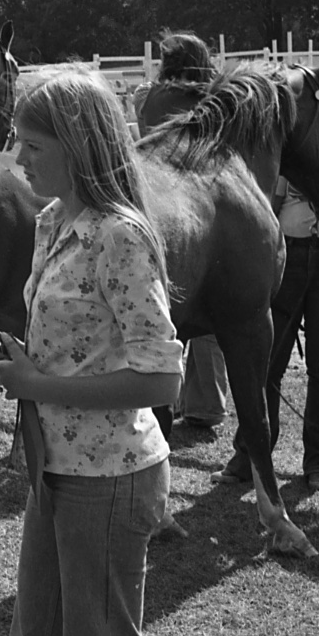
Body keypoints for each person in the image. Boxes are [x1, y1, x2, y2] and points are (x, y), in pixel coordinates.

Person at [0, 69, 182, 636]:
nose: (17, 157)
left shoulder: (120, 237)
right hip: (56, 472)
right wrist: (18, 366)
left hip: (109, 481)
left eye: (32, 143)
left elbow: (162, 382)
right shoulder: (53, 221)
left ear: (78, 145)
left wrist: (41, 388)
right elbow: (77, 347)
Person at [213, 65, 319, 492]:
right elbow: (267, 205)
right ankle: (250, 455)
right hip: (288, 258)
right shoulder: (296, 148)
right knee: (265, 364)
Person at [131, 31, 230, 435]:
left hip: (153, 196)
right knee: (208, 310)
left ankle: (163, 395)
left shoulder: (146, 97)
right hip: (198, 198)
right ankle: (206, 404)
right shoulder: (209, 99)